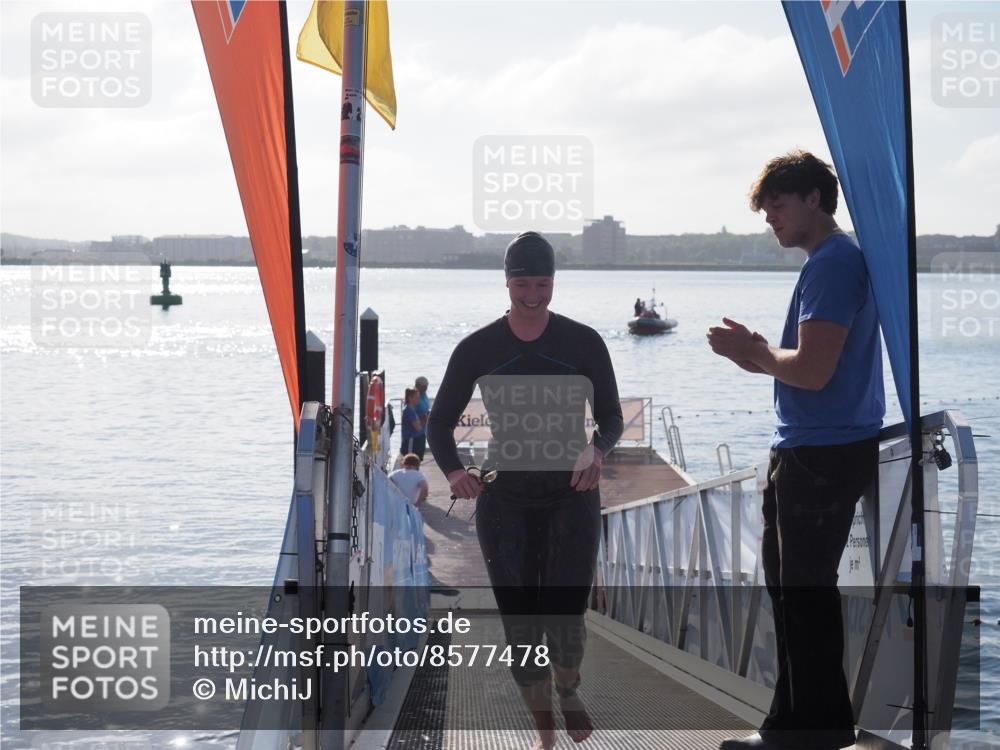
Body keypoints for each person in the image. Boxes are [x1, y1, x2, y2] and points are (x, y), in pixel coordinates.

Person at [707, 151, 885, 750]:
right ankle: (799, 725)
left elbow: (811, 371)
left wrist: (749, 353)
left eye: (777, 206)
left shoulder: (833, 264)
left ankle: (808, 732)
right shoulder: (830, 261)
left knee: (802, 593)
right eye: (766, 211)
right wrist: (759, 351)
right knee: (793, 591)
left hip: (822, 454)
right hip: (817, 449)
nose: (770, 221)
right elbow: (812, 369)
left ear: (814, 197)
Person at [428, 231, 623, 750]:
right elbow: (439, 424)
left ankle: (569, 684)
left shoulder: (583, 342)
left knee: (566, 614)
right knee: (520, 626)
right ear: (507, 282)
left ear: (554, 282)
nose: (532, 295)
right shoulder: (478, 347)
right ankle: (544, 732)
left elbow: (611, 416)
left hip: (571, 494)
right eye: (522, 284)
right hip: (505, 500)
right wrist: (452, 472)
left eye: (542, 284)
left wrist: (597, 449)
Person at [400, 388, 426, 459]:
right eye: (416, 397)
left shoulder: (412, 410)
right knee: (411, 461)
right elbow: (418, 428)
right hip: (411, 441)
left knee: (416, 461)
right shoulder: (408, 411)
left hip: (417, 440)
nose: (418, 399)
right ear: (410, 398)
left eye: (419, 397)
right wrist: (424, 420)